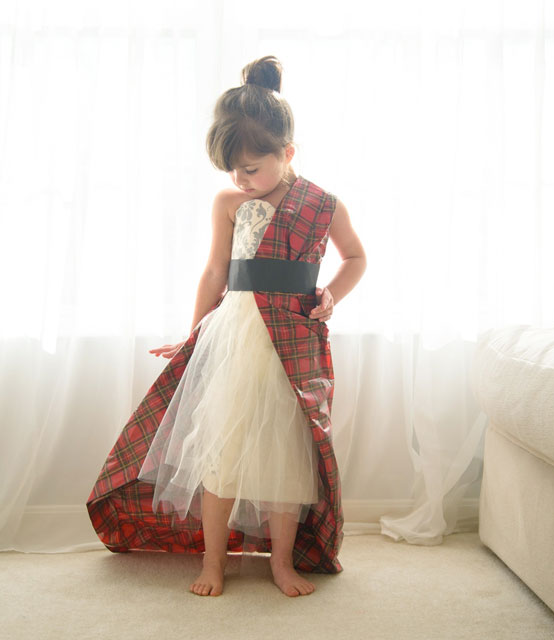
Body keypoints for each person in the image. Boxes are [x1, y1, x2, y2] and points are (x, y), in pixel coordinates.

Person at [85, 55, 367, 599]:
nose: (242, 179)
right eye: (233, 169)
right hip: (236, 340)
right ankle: (213, 562)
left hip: (292, 344)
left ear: (288, 153)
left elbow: (356, 258)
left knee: (286, 458)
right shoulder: (230, 202)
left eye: (252, 168)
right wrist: (194, 335)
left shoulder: (324, 205)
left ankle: (281, 564)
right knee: (222, 452)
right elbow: (215, 272)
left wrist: (332, 293)